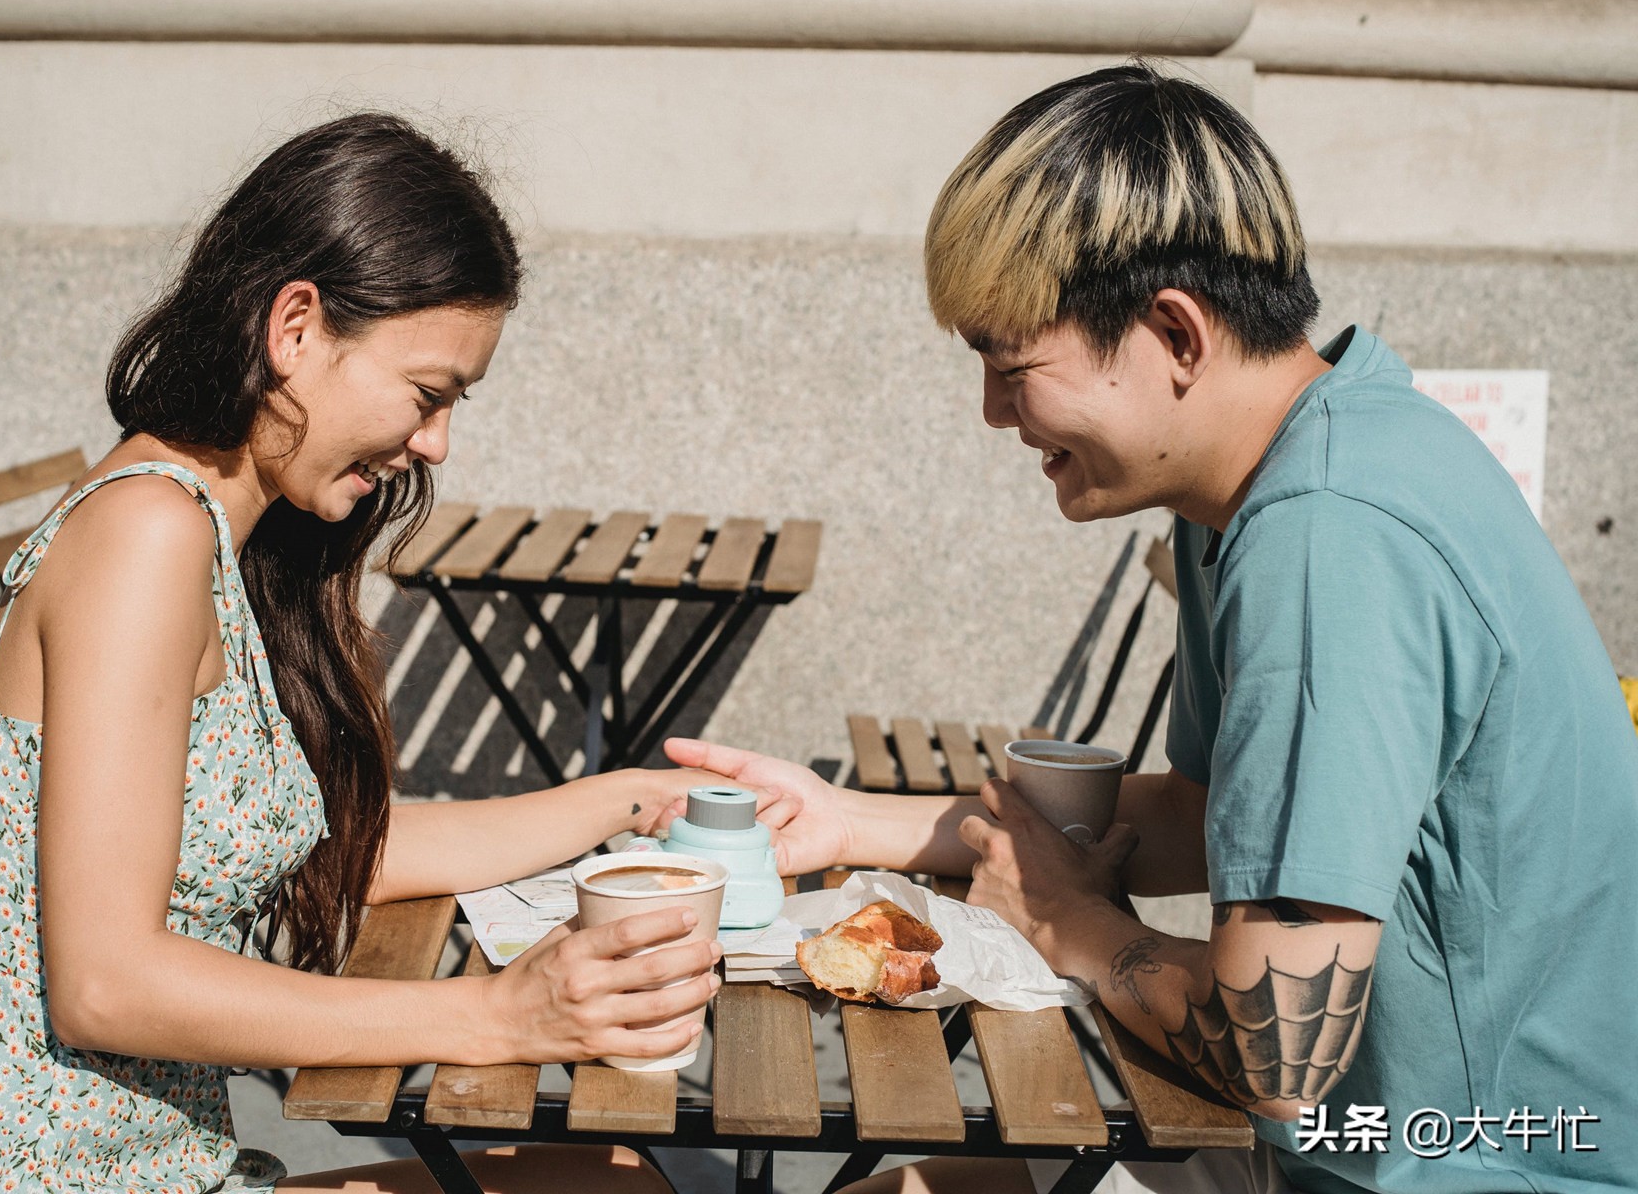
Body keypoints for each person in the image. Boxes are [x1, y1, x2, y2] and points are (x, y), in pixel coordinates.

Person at [667, 63, 1638, 1193]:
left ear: (1176, 332)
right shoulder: (1307, 454)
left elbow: (1277, 1054)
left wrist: (1071, 922)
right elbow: (1206, 814)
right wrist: (845, 820)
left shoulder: (1329, 535)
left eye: (1011, 365)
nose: (993, 411)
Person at [0, 113, 756, 1193]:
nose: (435, 443)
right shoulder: (149, 533)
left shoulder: (229, 542)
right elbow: (105, 980)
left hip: (148, 1169)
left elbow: (336, 847)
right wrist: (495, 1014)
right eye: (428, 393)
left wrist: (632, 801)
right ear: (296, 328)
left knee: (608, 1176)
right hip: (19, 1175)